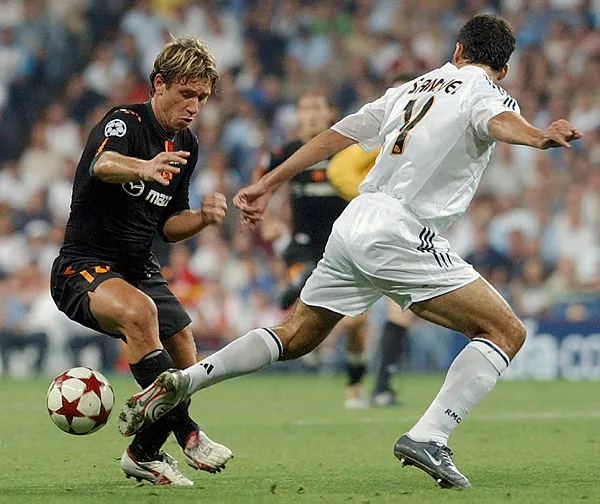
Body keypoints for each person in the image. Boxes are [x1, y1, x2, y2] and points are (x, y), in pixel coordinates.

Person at [118, 15, 581, 488]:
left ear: (458, 51)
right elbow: (499, 120)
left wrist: (269, 183)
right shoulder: (486, 90)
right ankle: (430, 436)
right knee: (506, 331)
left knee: (294, 335)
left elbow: (334, 136)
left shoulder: (410, 88)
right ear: (503, 69)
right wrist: (537, 136)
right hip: (401, 229)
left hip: (355, 219)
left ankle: (185, 380)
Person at [50, 36, 233, 486]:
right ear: (159, 84)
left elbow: (169, 225)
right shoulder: (124, 122)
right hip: (83, 265)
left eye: (202, 97)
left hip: (138, 266)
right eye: (186, 94)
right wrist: (143, 167)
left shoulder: (187, 143)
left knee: (186, 355)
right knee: (140, 313)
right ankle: (190, 435)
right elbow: (102, 164)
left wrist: (202, 218)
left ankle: (143, 453)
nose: (194, 106)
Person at [256, 90, 369, 408]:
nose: (310, 114)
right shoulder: (288, 151)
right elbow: (259, 184)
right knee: (306, 282)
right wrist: (266, 220)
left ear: (330, 113)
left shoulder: (349, 150)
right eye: (304, 108)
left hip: (345, 245)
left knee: (356, 323)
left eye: (317, 107)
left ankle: (354, 384)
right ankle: (301, 291)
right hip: (303, 247)